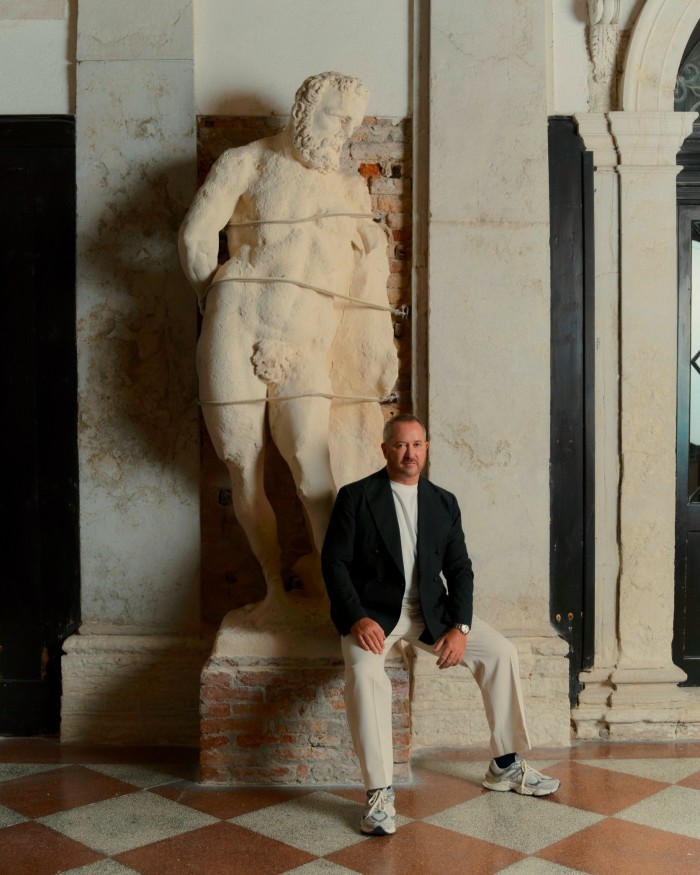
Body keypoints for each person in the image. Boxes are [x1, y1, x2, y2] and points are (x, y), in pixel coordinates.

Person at [179, 72, 398, 606]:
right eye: (334, 116)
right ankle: (274, 592)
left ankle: (338, 601)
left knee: (313, 469)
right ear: (304, 107)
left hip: (305, 343)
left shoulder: (349, 186)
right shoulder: (247, 161)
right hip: (239, 323)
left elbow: (365, 265)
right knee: (243, 465)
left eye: (352, 123)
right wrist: (217, 301)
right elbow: (195, 234)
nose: (342, 132)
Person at [322, 413, 559, 836]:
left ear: (427, 448)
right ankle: (379, 794)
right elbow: (334, 563)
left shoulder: (443, 501)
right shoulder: (356, 497)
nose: (409, 453)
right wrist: (356, 617)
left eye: (417, 445)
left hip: (430, 612)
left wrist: (461, 628)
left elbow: (460, 568)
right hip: (373, 615)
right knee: (364, 676)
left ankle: (504, 765)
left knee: (501, 652)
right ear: (385, 449)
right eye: (400, 445)